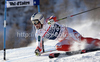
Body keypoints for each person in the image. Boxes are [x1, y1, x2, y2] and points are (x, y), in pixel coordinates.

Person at [31, 12, 100, 56]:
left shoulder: (47, 22)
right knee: (57, 47)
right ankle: (78, 49)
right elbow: (39, 46)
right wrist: (37, 50)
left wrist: (52, 20)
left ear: (41, 20)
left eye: (36, 22)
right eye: (33, 23)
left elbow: (53, 17)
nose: (35, 24)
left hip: (69, 33)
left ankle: (98, 42)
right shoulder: (38, 33)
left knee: (82, 40)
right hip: (63, 40)